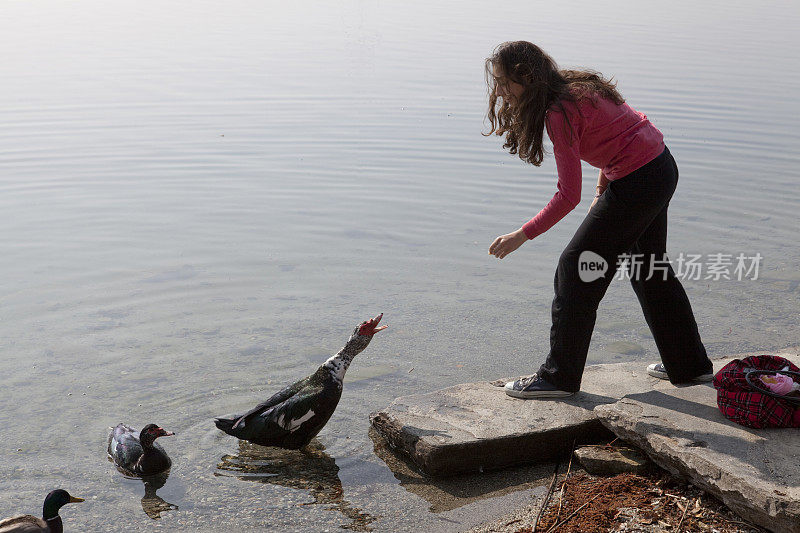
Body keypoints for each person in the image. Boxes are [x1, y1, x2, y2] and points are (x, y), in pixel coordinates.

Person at [485, 41, 714, 399]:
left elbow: (566, 196)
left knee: (575, 268)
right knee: (647, 267)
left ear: (526, 77)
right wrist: (602, 188)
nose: (498, 90)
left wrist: (522, 234)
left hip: (640, 180)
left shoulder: (558, 113)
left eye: (502, 82)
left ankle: (558, 378)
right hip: (659, 167)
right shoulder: (577, 87)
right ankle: (689, 365)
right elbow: (623, 133)